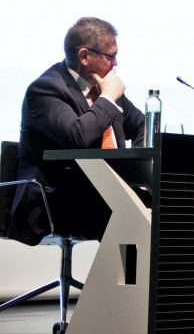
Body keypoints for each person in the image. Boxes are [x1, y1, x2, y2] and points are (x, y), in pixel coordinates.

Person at [8, 16, 145, 246]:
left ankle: (140, 281)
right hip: (53, 201)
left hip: (95, 195)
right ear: (84, 56)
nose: (116, 63)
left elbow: (141, 123)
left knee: (150, 203)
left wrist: (139, 178)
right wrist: (109, 98)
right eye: (110, 56)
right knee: (128, 214)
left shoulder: (101, 87)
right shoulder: (46, 89)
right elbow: (77, 137)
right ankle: (118, 281)